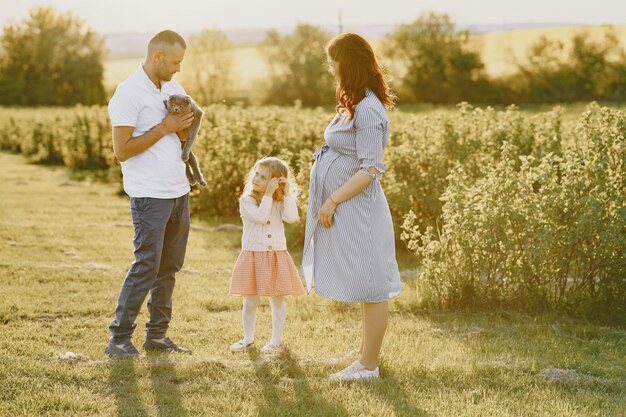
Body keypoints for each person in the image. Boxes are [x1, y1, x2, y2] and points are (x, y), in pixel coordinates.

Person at [302, 32, 402, 380]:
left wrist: (332, 199)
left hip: (360, 212)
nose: (329, 67)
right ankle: (365, 354)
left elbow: (371, 168)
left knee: (372, 285)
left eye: (333, 60)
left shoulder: (370, 110)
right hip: (351, 209)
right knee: (363, 280)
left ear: (348, 63)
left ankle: (368, 366)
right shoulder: (355, 103)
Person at [105, 30, 195, 357]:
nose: (178, 69)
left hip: (178, 192)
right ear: (157, 57)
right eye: (174, 62)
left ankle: (157, 336)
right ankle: (118, 338)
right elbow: (122, 150)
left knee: (169, 267)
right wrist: (164, 128)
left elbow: (185, 128)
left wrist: (185, 123)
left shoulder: (173, 87)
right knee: (146, 266)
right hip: (149, 196)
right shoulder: (128, 94)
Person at [229, 157, 305, 354]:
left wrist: (286, 193)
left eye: (263, 177)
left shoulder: (278, 202)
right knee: (250, 300)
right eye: (256, 174)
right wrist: (268, 194)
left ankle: (276, 341)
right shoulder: (246, 201)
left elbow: (291, 217)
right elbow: (261, 217)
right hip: (253, 255)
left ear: (274, 182)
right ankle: (248, 338)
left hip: (275, 255)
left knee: (277, 299)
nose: (256, 179)